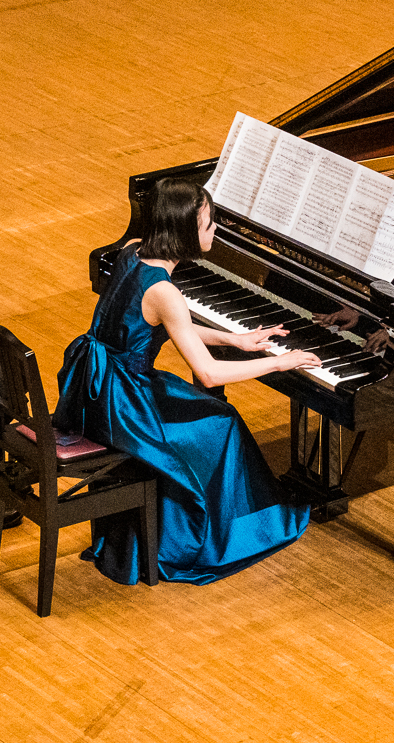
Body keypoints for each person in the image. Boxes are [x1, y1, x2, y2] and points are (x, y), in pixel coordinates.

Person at [54, 177, 319, 584]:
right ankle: (212, 537)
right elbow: (209, 372)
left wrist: (234, 338)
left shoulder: (131, 254)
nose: (214, 231)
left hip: (101, 389)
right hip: (125, 403)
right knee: (222, 423)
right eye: (209, 222)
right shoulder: (164, 290)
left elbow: (164, 327)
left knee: (209, 416)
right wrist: (278, 363)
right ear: (186, 229)